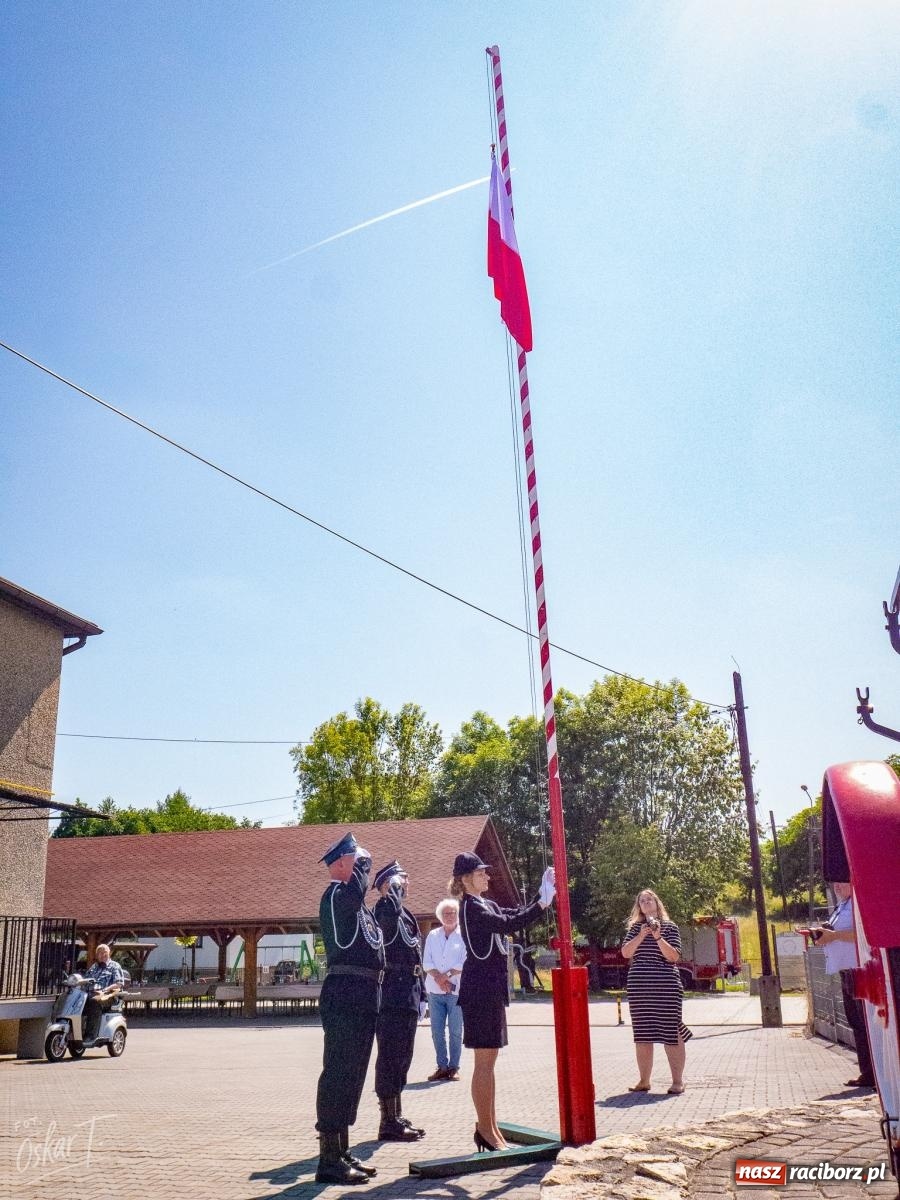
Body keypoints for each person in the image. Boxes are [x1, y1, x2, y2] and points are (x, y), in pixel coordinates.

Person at [451, 851, 555, 1153]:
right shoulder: (470, 908)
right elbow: (509, 925)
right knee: (483, 1064)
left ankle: (491, 1126)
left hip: (491, 990)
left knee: (490, 1063)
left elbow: (511, 915)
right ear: (466, 878)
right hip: (479, 991)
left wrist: (540, 894)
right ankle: (485, 1128)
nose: (487, 876)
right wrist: (542, 902)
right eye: (481, 872)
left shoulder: (487, 904)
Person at [314, 832, 385, 1186]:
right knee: (339, 1071)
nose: (362, 867)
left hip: (363, 990)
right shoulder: (337, 895)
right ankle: (328, 1157)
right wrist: (364, 862)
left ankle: (341, 1150)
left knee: (355, 1072)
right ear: (342, 862)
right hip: (345, 990)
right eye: (355, 860)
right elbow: (356, 894)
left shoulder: (354, 900)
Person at [372, 860, 426, 1142]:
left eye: (405, 880)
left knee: (403, 1057)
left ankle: (397, 1114)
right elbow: (386, 924)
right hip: (392, 995)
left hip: (408, 993)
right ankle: (387, 1121)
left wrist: (423, 994)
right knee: (391, 1058)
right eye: (400, 880)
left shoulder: (406, 914)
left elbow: (414, 956)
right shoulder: (384, 909)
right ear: (386, 886)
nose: (406, 884)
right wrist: (390, 894)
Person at [802, 881, 874, 1089]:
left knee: (866, 1023)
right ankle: (867, 1072)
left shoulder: (859, 904)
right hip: (847, 970)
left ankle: (874, 1073)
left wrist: (834, 936)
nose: (836, 887)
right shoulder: (843, 905)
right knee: (856, 1022)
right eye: (834, 883)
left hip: (861, 968)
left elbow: (864, 933)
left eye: (842, 882)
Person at [621, 888, 692, 1095]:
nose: (645, 903)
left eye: (649, 899)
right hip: (639, 986)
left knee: (671, 1031)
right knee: (643, 1033)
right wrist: (642, 935)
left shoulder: (670, 927)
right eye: (642, 901)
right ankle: (644, 1080)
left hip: (665, 986)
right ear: (639, 908)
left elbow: (673, 957)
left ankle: (677, 1081)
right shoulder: (635, 929)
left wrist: (658, 936)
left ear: (657, 903)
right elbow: (626, 953)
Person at [422, 898, 466, 1081]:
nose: (450, 916)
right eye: (446, 913)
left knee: (455, 1031)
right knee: (436, 1031)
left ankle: (454, 1067)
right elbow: (426, 962)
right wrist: (439, 979)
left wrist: (445, 976)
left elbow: (464, 961)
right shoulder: (432, 935)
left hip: (455, 991)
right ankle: (442, 1066)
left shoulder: (464, 935)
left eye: (453, 912)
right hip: (434, 990)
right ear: (440, 916)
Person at [83, 944, 125, 1039]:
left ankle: (90, 1035)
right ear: (97, 955)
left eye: (104, 952)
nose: (102, 955)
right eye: (99, 953)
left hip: (108, 995)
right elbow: (85, 979)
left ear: (108, 953)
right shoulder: (94, 967)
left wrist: (106, 989)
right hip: (90, 994)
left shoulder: (114, 966)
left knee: (94, 1001)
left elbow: (119, 984)